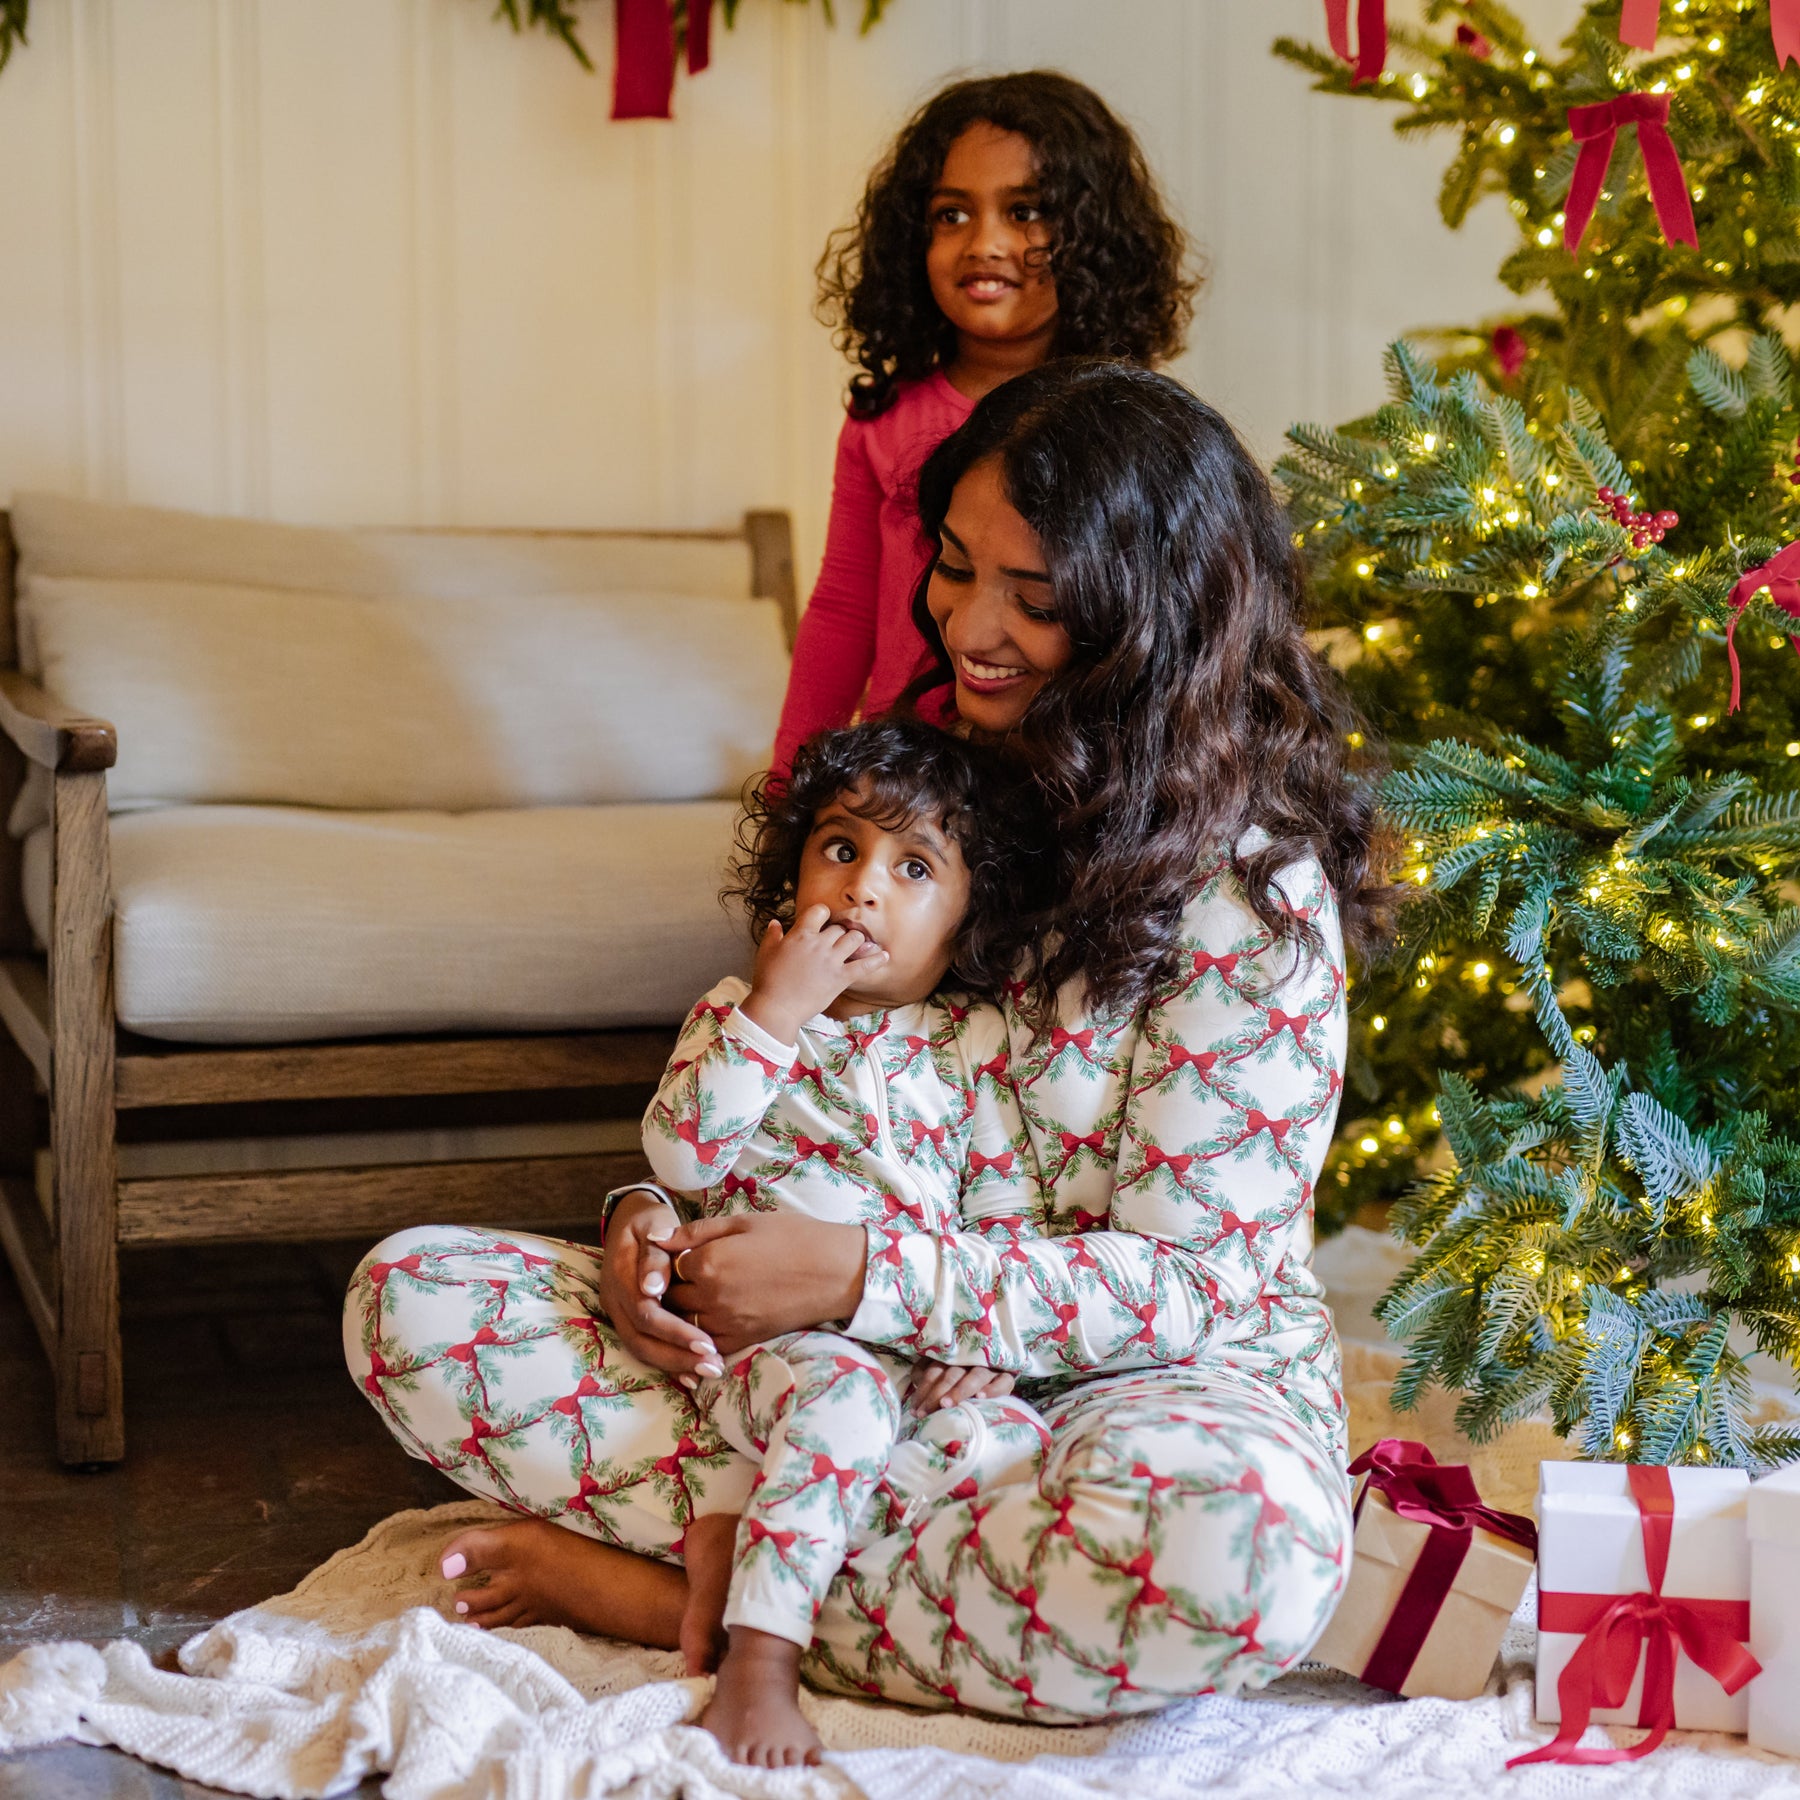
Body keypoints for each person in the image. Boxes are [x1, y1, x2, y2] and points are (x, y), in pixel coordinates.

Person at [345, 360, 1388, 1744]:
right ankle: (841, 1580)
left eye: (1037, 596)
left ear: (1153, 620)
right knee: (407, 1300)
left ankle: (681, 1600)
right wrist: (659, 1226)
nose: (975, 627)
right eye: (958, 570)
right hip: (826, 1372)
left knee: (1229, 1559)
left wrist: (856, 1272)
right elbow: (804, 1069)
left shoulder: (1256, 896)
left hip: (1132, 1382)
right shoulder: (941, 784)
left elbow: (1186, 1283)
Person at [642, 717, 1050, 1764]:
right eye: (840, 848)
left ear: (968, 921)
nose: (862, 886)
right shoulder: (743, 1013)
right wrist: (778, 1012)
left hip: (917, 1347)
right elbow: (682, 1156)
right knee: (841, 1402)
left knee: (1012, 1445)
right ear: (792, 878)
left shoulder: (975, 1042)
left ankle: (741, 1545)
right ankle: (760, 1663)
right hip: (779, 1350)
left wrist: (984, 1340)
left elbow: (1001, 1211)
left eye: (913, 866)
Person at [770, 70, 1197, 772]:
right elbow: (843, 612)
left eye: (1025, 211)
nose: (984, 243)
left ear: (1092, 236)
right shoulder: (884, 420)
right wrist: (790, 789)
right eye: (951, 214)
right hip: (910, 777)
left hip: (1070, 775)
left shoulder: (1130, 426)